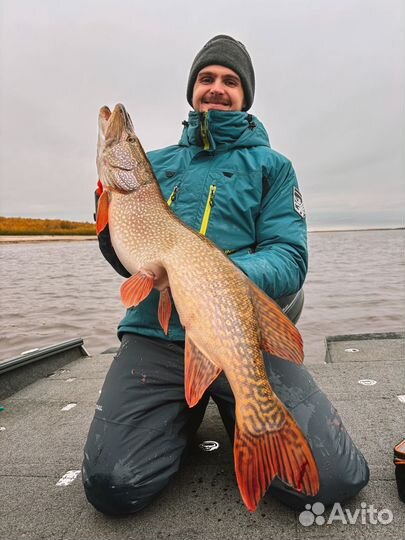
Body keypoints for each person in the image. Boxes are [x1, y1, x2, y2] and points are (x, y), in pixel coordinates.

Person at [82, 34, 369, 515]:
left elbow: (288, 257)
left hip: (240, 333)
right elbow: (131, 264)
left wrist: (216, 272)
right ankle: (187, 412)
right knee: (114, 484)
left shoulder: (272, 167)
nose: (217, 88)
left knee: (333, 481)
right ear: (193, 89)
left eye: (230, 81)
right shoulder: (157, 164)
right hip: (157, 336)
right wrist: (108, 223)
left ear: (244, 94)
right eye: (207, 78)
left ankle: (240, 410)